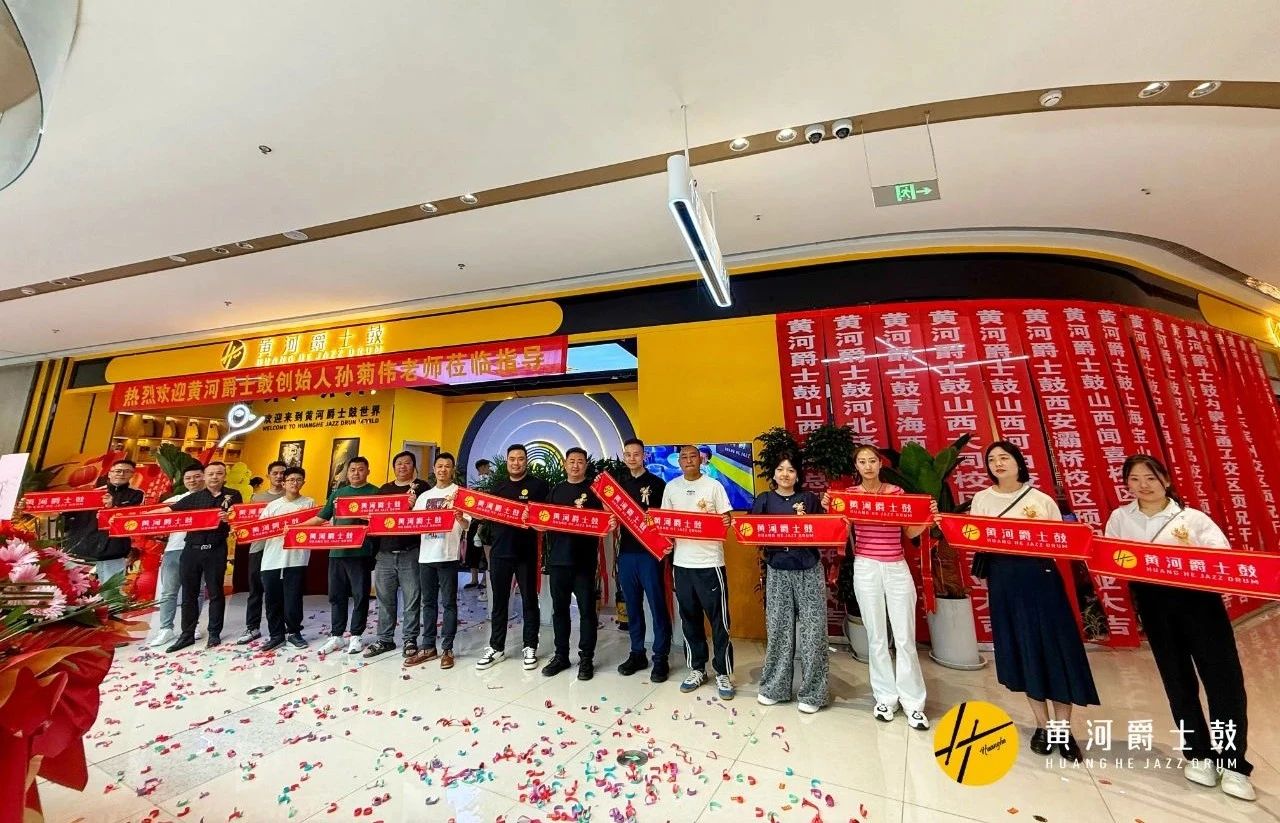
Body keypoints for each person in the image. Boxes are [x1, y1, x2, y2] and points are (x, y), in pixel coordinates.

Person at [1104, 454, 1255, 801]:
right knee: (1178, 682)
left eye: (1151, 478)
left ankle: (1233, 763)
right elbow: (1112, 559)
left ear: (1167, 481)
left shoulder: (1192, 519)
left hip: (1200, 606)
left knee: (1224, 684)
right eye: (1135, 479)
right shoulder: (1120, 519)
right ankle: (1198, 754)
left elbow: (1222, 559)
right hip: (1155, 608)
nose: (1143, 485)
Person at [974, 440, 1098, 761]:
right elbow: (975, 538)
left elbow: (1061, 540)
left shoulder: (1041, 500)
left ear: (1019, 462)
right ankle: (1042, 726)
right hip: (1004, 581)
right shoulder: (982, 499)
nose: (998, 463)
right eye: (992, 459)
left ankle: (1063, 730)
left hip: (1041, 579)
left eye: (1004, 457)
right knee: (1024, 650)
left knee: (1055, 649)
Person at [825, 445, 936, 729]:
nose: (868, 466)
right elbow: (840, 532)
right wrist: (831, 509)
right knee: (876, 637)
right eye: (862, 462)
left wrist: (926, 517)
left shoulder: (896, 493)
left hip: (896, 566)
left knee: (905, 637)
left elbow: (909, 531)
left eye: (872, 460)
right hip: (866, 567)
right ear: (856, 467)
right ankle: (885, 697)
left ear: (880, 463)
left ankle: (913, 702)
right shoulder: (850, 495)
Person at [753, 452, 828, 713]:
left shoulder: (809, 499)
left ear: (798, 476)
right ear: (773, 474)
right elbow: (751, 530)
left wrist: (826, 510)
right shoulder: (764, 500)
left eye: (791, 470)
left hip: (809, 569)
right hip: (778, 571)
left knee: (813, 632)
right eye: (780, 469)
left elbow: (824, 529)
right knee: (778, 630)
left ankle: (813, 693)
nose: (785, 474)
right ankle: (775, 688)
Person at [662, 444, 735, 699]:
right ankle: (697, 669)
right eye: (684, 457)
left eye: (693, 456)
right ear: (679, 462)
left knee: (719, 621)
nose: (688, 460)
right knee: (689, 620)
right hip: (682, 564)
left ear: (701, 460)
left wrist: (727, 520)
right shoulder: (671, 487)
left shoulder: (713, 486)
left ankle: (723, 672)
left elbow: (727, 518)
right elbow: (665, 523)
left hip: (710, 563)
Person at [474, 444, 549, 671]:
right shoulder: (498, 487)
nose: (516, 463)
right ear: (507, 461)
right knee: (499, 602)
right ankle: (496, 647)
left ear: (526, 461)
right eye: (512, 459)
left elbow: (546, 518)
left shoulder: (538, 486)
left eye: (520, 458)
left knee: (529, 601)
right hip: (500, 553)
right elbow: (486, 515)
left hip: (526, 553)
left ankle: (530, 646)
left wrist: (534, 517)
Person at [162, 462, 244, 651]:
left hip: (216, 549)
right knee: (189, 594)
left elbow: (241, 517)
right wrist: (135, 516)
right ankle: (187, 634)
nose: (215, 477)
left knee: (215, 592)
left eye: (219, 473)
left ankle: (214, 633)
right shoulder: (193, 498)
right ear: (205, 477)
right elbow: (168, 511)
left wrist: (231, 518)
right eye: (211, 474)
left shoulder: (233, 495)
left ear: (225, 476)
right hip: (191, 550)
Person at [539, 447, 603, 680]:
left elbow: (606, 519)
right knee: (560, 611)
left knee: (587, 612)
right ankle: (561, 656)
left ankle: (586, 659)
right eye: (572, 461)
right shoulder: (556, 490)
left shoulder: (595, 491)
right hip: (558, 561)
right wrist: (533, 520)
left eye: (580, 461)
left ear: (586, 465)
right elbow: (543, 521)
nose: (576, 465)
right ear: (565, 464)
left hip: (584, 562)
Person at [306, 456, 381, 655]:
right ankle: (336, 635)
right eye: (352, 469)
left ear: (368, 471)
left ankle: (356, 635)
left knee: (360, 595)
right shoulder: (338, 493)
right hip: (337, 552)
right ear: (347, 473)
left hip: (361, 552)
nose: (356, 473)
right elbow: (321, 517)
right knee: (336, 595)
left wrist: (368, 518)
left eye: (361, 469)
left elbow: (382, 522)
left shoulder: (375, 492)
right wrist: (296, 528)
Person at [614, 438, 671, 682]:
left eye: (636, 454)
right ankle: (637, 653)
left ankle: (661, 657)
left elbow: (666, 518)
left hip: (651, 554)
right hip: (627, 553)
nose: (632, 458)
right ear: (624, 456)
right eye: (628, 454)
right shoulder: (619, 487)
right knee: (632, 605)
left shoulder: (658, 484)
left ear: (644, 456)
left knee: (657, 605)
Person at [364, 451, 430, 659]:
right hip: (384, 553)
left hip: (411, 552)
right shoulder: (384, 490)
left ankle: (410, 639)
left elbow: (429, 515)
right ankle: (385, 639)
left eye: (407, 463)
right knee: (385, 600)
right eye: (399, 463)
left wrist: (414, 506)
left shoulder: (422, 488)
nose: (403, 466)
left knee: (412, 599)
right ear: (394, 467)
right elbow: (374, 518)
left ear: (414, 466)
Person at [406, 453, 464, 669]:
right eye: (439, 466)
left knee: (449, 603)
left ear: (453, 470)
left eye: (447, 466)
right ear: (434, 469)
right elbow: (414, 524)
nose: (443, 470)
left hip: (448, 555)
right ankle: (428, 647)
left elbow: (466, 525)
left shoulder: (459, 494)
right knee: (428, 603)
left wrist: (460, 518)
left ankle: (448, 649)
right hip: (426, 557)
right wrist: (408, 507)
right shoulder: (424, 497)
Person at [149, 465, 207, 648]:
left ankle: (192, 625)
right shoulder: (174, 500)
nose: (193, 481)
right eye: (188, 478)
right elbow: (151, 516)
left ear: (204, 477)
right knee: (169, 591)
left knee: (197, 590)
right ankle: (165, 628)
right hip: (174, 549)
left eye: (197, 477)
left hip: (199, 550)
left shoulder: (211, 499)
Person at [258, 467, 315, 652]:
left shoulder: (309, 503)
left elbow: (315, 526)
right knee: (272, 600)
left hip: (296, 558)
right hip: (272, 559)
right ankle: (276, 635)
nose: (294, 483)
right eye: (291, 480)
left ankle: (294, 633)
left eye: (298, 479)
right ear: (284, 483)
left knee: (293, 599)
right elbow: (260, 529)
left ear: (303, 482)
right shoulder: (272, 506)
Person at [64, 458, 144, 583]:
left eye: (127, 471)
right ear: (110, 473)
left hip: (114, 551)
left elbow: (132, 519)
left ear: (132, 475)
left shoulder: (137, 495)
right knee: (77, 588)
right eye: (118, 471)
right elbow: (67, 516)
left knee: (111, 590)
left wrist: (113, 507)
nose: (122, 474)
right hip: (81, 550)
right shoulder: (90, 493)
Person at [237, 461, 286, 645]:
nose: (279, 476)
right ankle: (252, 627)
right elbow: (245, 521)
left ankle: (283, 625)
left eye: (282, 473)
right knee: (255, 589)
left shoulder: (291, 497)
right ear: (268, 475)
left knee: (279, 590)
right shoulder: (257, 497)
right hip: (258, 547)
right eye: (275, 473)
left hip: (281, 549)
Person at [463, 459, 493, 592]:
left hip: (488, 522)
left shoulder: (495, 481)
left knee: (486, 552)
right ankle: (474, 579)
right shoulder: (477, 483)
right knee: (472, 548)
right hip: (475, 520)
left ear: (487, 466)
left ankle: (485, 579)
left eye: (483, 468)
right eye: (479, 470)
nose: (481, 472)